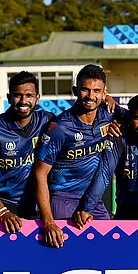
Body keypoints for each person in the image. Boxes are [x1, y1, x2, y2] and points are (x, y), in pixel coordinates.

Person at [32, 64, 115, 247]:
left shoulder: (108, 116)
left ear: (104, 93)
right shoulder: (59, 127)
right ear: (75, 90)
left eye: (97, 91)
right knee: (66, 253)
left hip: (92, 199)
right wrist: (48, 222)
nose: (91, 96)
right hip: (62, 198)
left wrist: (111, 100)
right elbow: (40, 174)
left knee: (109, 248)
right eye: (85, 90)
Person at [0, 71, 53, 233]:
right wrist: (2, 211)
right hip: (5, 207)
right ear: (9, 97)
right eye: (18, 95)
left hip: (39, 206)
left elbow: (78, 118)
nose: (24, 101)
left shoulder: (48, 121)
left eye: (29, 95)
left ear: (37, 97)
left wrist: (106, 103)